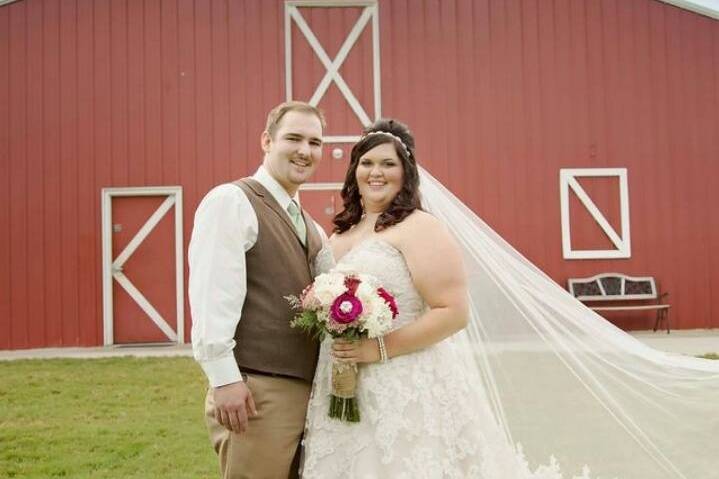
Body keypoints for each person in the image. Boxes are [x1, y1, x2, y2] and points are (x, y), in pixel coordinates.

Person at [301, 119, 719, 478]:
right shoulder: (341, 233)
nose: (376, 173)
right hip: (341, 380)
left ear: (406, 173)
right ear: (354, 170)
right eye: (367, 163)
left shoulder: (419, 227)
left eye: (388, 164)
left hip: (401, 379)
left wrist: (376, 349)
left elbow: (453, 312)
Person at [189, 101, 327, 479]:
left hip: (308, 394)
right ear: (267, 141)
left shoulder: (311, 225)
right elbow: (211, 294)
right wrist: (226, 379)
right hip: (256, 392)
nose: (305, 151)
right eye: (294, 138)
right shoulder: (231, 201)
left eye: (315, 142)